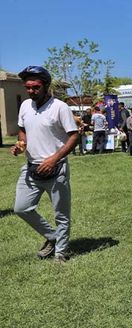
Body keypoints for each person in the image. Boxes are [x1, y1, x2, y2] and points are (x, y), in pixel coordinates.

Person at [11, 65, 79, 263]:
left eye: (36, 87)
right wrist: (21, 144)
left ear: (46, 86)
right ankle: (54, 237)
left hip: (56, 169)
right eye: (28, 87)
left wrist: (54, 159)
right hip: (31, 168)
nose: (31, 91)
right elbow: (22, 129)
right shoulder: (25, 106)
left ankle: (61, 254)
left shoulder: (60, 107)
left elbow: (73, 136)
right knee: (21, 208)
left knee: (61, 214)